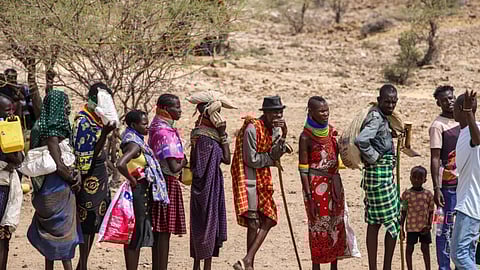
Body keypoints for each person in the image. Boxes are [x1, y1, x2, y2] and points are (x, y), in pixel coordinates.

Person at [231, 96, 291, 270]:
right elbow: (252, 160)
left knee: (269, 218)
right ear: (266, 113)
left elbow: (275, 152)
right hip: (247, 177)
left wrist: (284, 136)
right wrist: (271, 159)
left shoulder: (274, 130)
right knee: (253, 221)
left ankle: (247, 260)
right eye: (275, 112)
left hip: (262, 177)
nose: (278, 116)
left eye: (280, 112)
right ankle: (249, 263)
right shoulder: (252, 129)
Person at [298, 96, 357, 270]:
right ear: (311, 112)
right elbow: (303, 169)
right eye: (321, 111)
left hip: (335, 186)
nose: (325, 114)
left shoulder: (331, 132)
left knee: (335, 226)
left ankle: (334, 266)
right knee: (318, 227)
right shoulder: (305, 137)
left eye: (327, 110)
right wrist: (309, 196)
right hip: (316, 189)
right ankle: (316, 266)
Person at [27, 89, 83, 270]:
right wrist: (74, 180)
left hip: (44, 190)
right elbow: (59, 166)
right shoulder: (52, 132)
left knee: (49, 237)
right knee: (63, 235)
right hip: (56, 188)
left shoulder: (39, 126)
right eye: (65, 104)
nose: (68, 108)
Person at [354, 84, 400, 270]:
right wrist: (375, 157)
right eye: (387, 101)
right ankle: (384, 267)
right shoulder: (375, 117)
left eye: (393, 102)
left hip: (380, 176)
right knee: (391, 221)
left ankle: (376, 267)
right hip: (379, 174)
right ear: (379, 99)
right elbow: (361, 140)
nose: (391, 105)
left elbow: (376, 138)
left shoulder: (382, 117)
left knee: (375, 221)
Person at [71, 83, 117, 270]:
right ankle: (82, 264)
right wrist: (104, 135)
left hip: (98, 177)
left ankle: (83, 263)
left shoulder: (96, 119)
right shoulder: (83, 121)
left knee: (93, 222)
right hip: (88, 176)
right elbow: (87, 157)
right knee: (87, 221)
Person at [116, 110, 169, 270]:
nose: (147, 127)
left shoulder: (132, 139)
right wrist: (132, 180)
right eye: (144, 124)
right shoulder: (133, 144)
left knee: (136, 234)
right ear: (133, 125)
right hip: (139, 192)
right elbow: (120, 164)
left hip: (141, 192)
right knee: (135, 235)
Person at [189, 100, 231, 270]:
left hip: (212, 184)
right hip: (205, 186)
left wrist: (222, 134)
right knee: (205, 223)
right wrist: (222, 134)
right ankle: (201, 265)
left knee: (208, 224)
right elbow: (201, 167)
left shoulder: (206, 134)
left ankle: (203, 265)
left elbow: (226, 159)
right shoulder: (204, 137)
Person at [148, 94, 187, 270]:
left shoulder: (156, 127)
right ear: (165, 109)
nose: (180, 111)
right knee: (164, 233)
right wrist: (185, 160)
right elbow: (174, 167)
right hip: (166, 184)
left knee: (159, 233)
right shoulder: (165, 133)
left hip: (157, 182)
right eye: (176, 107)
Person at [429, 85, 460, 270]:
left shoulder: (461, 121)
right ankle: (443, 267)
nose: (450, 102)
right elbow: (434, 158)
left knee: (460, 229)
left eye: (452, 98)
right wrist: (436, 188)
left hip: (463, 184)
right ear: (438, 103)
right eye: (445, 100)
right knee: (444, 230)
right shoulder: (437, 126)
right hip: (447, 186)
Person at [450, 90, 480, 269]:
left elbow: (477, 140)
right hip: (468, 202)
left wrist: (469, 113)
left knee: (459, 254)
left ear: (461, 108)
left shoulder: (473, 130)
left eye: (455, 107)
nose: (451, 110)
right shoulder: (465, 131)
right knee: (467, 253)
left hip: (469, 205)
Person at [0, 93, 23, 270]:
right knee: (2, 235)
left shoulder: (8, 127)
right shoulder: (4, 129)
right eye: (7, 110)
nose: (10, 114)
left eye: (12, 110)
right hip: (2, 187)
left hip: (5, 184)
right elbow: (16, 158)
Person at [400, 166, 434, 270]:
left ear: (424, 180)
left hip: (424, 227)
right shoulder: (406, 194)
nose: (416, 180)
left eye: (419, 178)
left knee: (425, 249)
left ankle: (428, 268)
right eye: (414, 177)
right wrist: (401, 227)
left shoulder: (428, 194)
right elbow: (404, 211)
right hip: (411, 227)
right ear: (410, 178)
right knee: (409, 249)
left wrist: (429, 225)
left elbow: (431, 210)